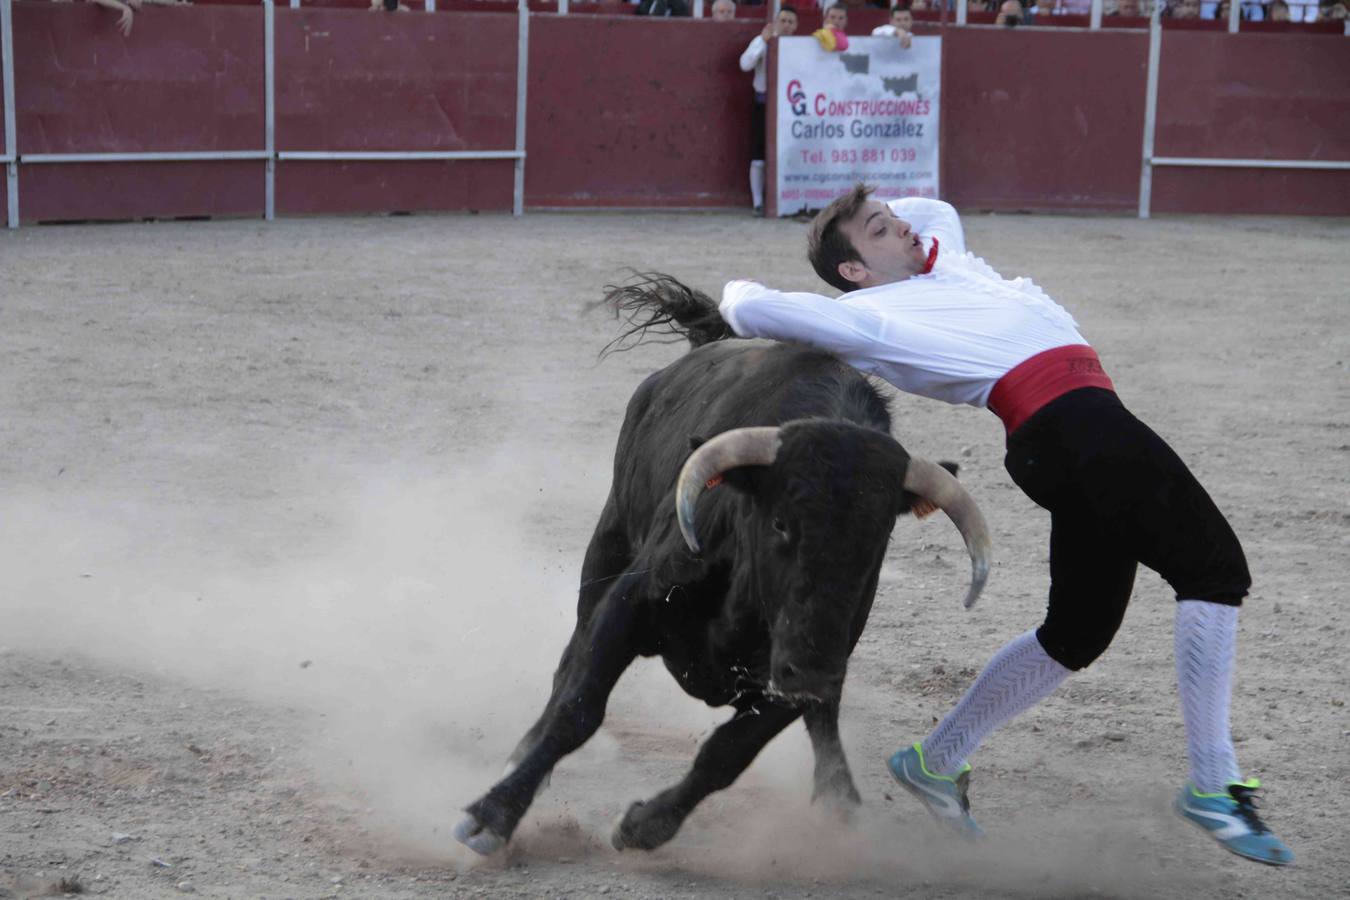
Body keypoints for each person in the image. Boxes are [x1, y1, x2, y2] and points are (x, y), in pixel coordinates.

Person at [717, 184, 1294, 867]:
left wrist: (881, 222)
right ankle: (1214, 785)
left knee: (1077, 633)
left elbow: (933, 212)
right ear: (853, 270)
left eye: (894, 219)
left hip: (1071, 434)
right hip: (1076, 427)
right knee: (1214, 572)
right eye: (880, 230)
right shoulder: (867, 317)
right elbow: (745, 305)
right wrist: (839, 255)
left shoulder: (946, 261)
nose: (903, 227)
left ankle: (936, 761)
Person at [738, 5, 799, 217]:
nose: (787, 25)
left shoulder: (799, 46)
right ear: (775, 22)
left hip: (790, 108)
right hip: (763, 104)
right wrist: (763, 42)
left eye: (791, 22)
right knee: (758, 154)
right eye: (783, 21)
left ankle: (788, 201)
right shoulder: (762, 41)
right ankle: (757, 202)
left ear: (796, 26)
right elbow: (745, 64)